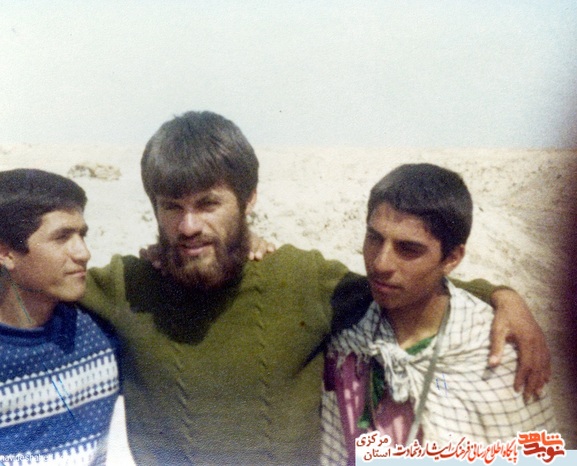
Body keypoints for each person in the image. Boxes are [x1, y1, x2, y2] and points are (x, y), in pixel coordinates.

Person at [81, 111, 550, 465]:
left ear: (248, 200)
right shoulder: (128, 285)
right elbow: (47, 281)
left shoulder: (300, 279)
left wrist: (500, 295)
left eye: (208, 204)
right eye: (171, 207)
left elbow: (401, 282)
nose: (188, 226)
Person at [322, 164, 556, 465]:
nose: (380, 263)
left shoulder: (498, 354)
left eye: (408, 249)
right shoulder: (348, 338)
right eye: (374, 238)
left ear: (452, 258)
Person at [0, 169, 120, 465]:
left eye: (82, 235)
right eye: (62, 237)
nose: (83, 253)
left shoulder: (100, 329)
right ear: (6, 253)